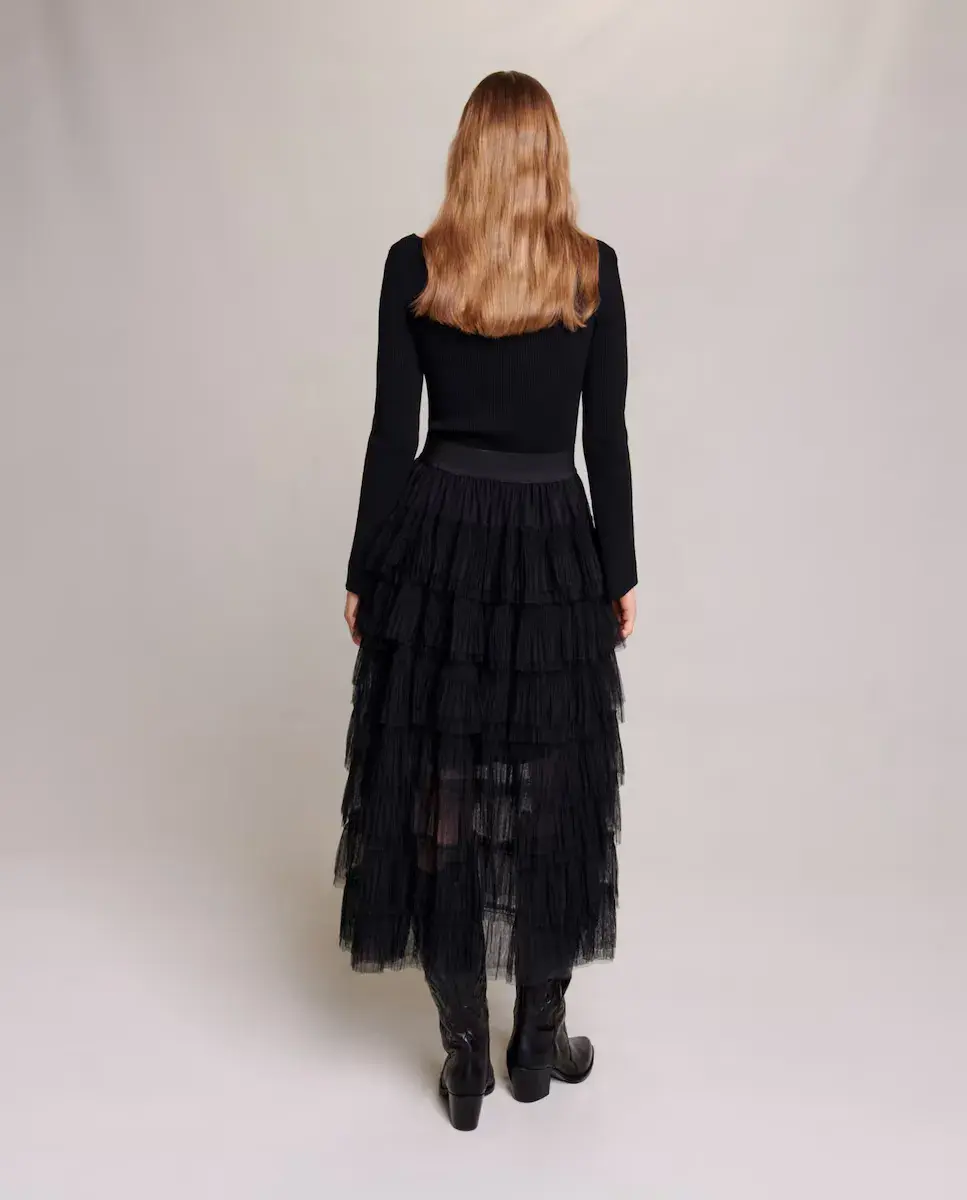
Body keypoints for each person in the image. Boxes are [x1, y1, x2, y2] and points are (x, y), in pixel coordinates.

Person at [334, 69, 637, 1131]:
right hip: (553, 540)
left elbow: (392, 434)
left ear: (466, 153)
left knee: (442, 791)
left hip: (441, 542)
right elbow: (605, 439)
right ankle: (536, 1046)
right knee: (554, 788)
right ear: (550, 155)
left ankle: (464, 1056)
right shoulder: (591, 272)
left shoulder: (416, 266)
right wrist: (618, 571)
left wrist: (366, 571)